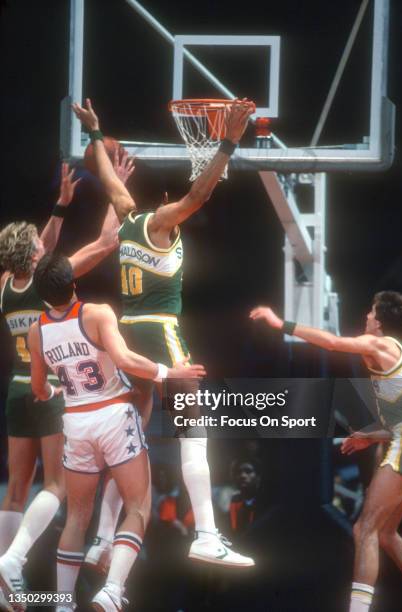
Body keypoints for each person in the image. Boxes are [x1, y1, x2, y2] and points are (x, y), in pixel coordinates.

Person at [71, 97, 256, 568]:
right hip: (158, 331)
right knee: (196, 433)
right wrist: (229, 142)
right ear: (165, 206)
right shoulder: (158, 221)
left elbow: (110, 181)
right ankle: (207, 535)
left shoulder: (128, 215)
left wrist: (95, 134)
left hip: (126, 336)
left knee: (128, 436)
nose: (180, 215)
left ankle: (101, 539)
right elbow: (199, 196)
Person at [27, 252, 205, 612]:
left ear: (43, 294)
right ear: (73, 283)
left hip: (75, 420)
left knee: (76, 516)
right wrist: (168, 373)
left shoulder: (37, 330)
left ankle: (63, 605)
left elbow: (39, 389)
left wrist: (53, 390)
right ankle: (111, 590)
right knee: (138, 507)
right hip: (112, 414)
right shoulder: (97, 313)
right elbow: (125, 361)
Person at [0, 159, 132, 610]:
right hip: (52, 389)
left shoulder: (5, 285)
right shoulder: (51, 282)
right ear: (37, 256)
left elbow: (37, 248)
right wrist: (117, 191)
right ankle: (14, 561)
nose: (44, 243)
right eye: (39, 244)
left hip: (17, 390)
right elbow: (107, 242)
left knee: (16, 488)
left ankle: (6, 573)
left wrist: (60, 205)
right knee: (56, 487)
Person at [250, 291, 402, 612]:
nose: (366, 316)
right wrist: (372, 437)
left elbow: (333, 343)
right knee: (386, 532)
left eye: (370, 312)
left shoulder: (380, 344)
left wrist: (279, 323)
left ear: (378, 322)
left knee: (364, 529)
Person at [229, 458, 262, 535]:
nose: (242, 475)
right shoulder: (234, 500)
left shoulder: (265, 501)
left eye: (248, 471)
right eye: (239, 472)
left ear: (258, 476)